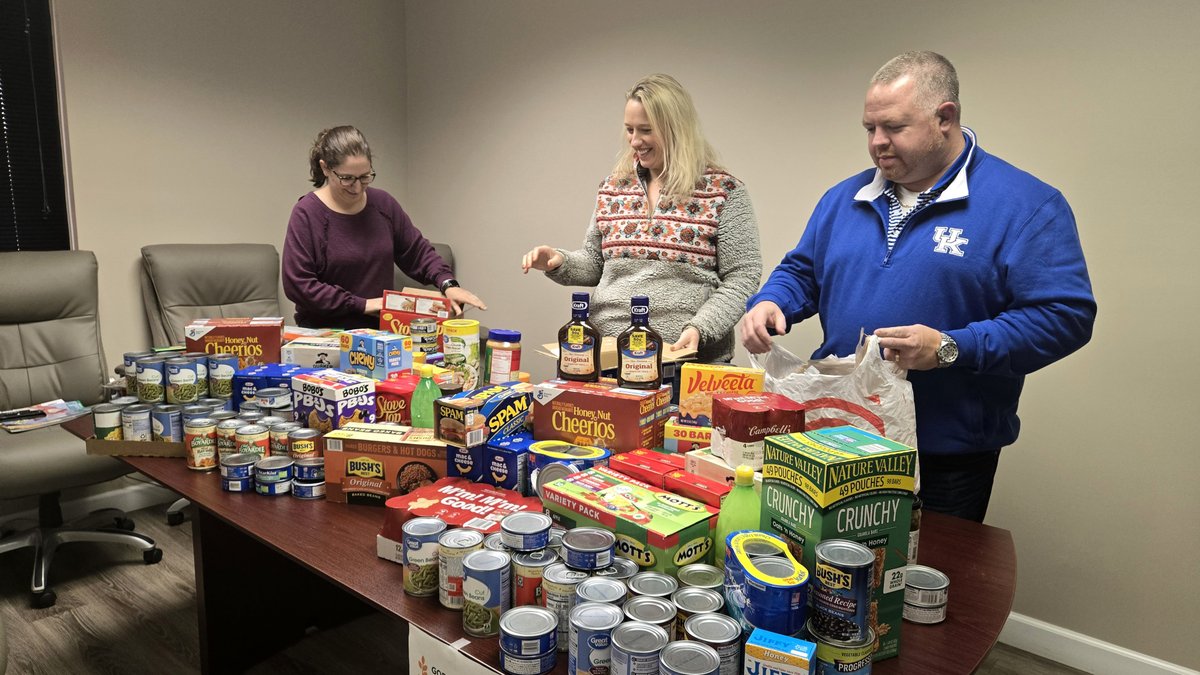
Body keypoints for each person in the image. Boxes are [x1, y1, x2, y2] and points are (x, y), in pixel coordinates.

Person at [739, 52, 1096, 522]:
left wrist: (951, 347)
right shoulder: (845, 198)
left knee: (922, 581)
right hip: (836, 434)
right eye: (869, 129)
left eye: (893, 128)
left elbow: (1064, 318)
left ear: (944, 118)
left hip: (944, 454)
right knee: (827, 571)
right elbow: (803, 270)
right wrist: (772, 300)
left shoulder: (1026, 205)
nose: (877, 143)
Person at [521, 74, 762, 363]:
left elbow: (743, 277)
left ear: (676, 129)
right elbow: (595, 264)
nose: (635, 141)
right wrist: (559, 262)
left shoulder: (723, 191)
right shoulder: (614, 187)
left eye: (645, 130)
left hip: (686, 362)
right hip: (609, 357)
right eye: (629, 129)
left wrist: (701, 328)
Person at [283, 125, 486, 329]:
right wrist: (362, 304)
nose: (357, 187)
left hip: (380, 333)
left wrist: (447, 283)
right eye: (347, 179)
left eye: (365, 177)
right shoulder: (307, 213)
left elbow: (417, 252)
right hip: (325, 335)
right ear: (325, 168)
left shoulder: (383, 205)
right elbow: (299, 285)